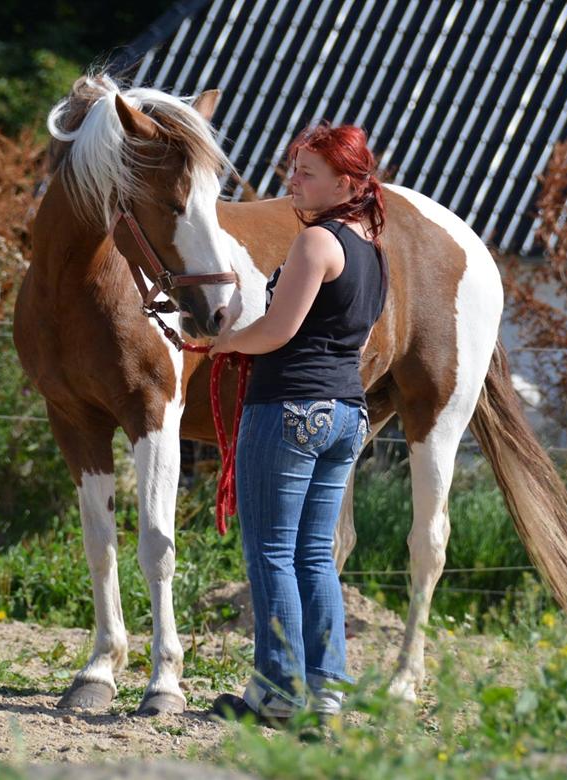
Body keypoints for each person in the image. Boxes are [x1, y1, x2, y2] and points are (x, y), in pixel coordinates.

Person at [207, 122, 389, 726]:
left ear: (345, 181)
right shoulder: (374, 250)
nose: (294, 180)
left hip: (288, 408)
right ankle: (327, 691)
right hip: (345, 413)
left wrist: (222, 341)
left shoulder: (317, 243)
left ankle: (280, 693)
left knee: (272, 554)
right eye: (294, 167)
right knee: (313, 554)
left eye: (307, 172)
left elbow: (279, 331)